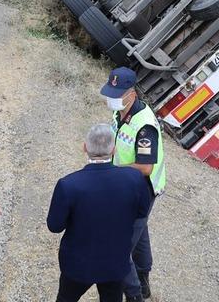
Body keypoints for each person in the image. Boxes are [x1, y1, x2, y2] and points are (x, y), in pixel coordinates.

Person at [47, 124, 152, 302]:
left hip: (77, 264)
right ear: (114, 150)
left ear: (85, 147)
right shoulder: (134, 178)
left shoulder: (68, 184)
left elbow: (55, 226)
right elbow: (142, 211)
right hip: (115, 262)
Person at [101, 67, 166, 301]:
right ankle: (143, 281)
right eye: (110, 93)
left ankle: (134, 294)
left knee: (119, 246)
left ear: (132, 94)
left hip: (140, 191)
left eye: (117, 94)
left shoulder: (145, 125)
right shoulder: (121, 113)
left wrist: (111, 171)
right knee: (139, 237)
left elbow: (145, 167)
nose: (112, 98)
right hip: (125, 187)